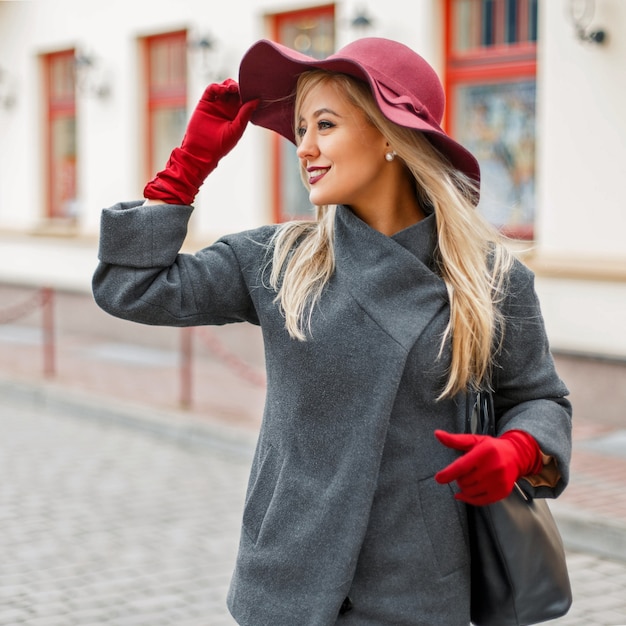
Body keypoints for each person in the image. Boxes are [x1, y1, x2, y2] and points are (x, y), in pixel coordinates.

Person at [92, 37, 572, 625]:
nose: (305, 147)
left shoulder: (489, 279)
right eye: (301, 128)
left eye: (325, 124)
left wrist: (519, 449)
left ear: (392, 135)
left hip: (415, 584)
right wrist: (188, 167)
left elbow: (539, 396)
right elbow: (130, 288)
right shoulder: (280, 259)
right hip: (287, 580)